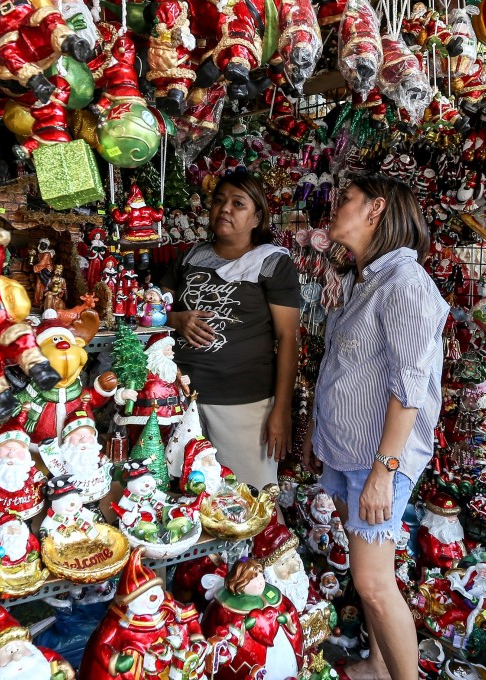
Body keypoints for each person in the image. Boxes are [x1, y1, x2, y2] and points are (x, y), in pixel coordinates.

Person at [302, 175, 448, 680]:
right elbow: (342, 372)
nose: (335, 207)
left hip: (376, 461)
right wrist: (315, 437)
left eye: (345, 199)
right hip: (348, 454)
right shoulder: (367, 280)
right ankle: (378, 666)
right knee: (371, 580)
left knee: (372, 583)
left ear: (375, 210)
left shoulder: (406, 284)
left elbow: (409, 387)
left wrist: (384, 472)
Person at [161, 171, 300, 492]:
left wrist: (281, 409)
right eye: (219, 201)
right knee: (184, 493)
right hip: (181, 398)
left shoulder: (272, 264)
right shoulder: (191, 257)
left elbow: (288, 338)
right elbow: (150, 308)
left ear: (257, 217)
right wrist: (176, 319)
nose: (225, 209)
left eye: (238, 203)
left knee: (247, 498)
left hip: (243, 405)